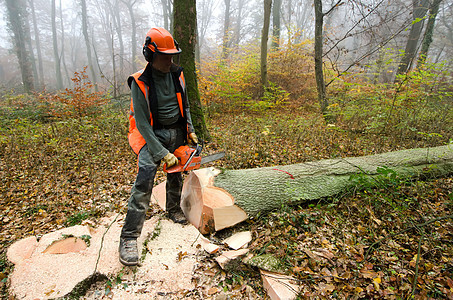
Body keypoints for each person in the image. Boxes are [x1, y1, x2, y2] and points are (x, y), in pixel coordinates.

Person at [119, 27, 198, 266]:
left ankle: (173, 209)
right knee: (144, 182)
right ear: (150, 55)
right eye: (165, 56)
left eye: (172, 55)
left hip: (177, 130)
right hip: (150, 136)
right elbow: (142, 124)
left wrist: (191, 129)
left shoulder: (177, 74)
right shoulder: (139, 82)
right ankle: (129, 237)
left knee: (176, 173)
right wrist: (161, 153)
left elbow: (186, 105)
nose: (170, 60)